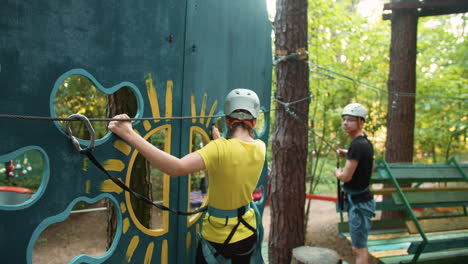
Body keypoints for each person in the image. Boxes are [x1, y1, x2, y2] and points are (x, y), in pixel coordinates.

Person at [108, 88, 266, 264]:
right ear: (255, 120)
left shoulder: (220, 149)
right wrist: (218, 142)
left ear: (227, 119)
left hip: (218, 239)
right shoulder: (260, 147)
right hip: (247, 232)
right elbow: (233, 161)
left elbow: (176, 168)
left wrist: (129, 134)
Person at [334, 103, 375, 264]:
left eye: (350, 120)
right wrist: (348, 153)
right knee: (359, 246)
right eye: (344, 119)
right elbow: (369, 165)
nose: (345, 123)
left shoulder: (357, 146)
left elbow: (346, 177)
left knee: (359, 249)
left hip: (359, 205)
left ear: (361, 122)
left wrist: (337, 173)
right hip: (362, 202)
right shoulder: (364, 143)